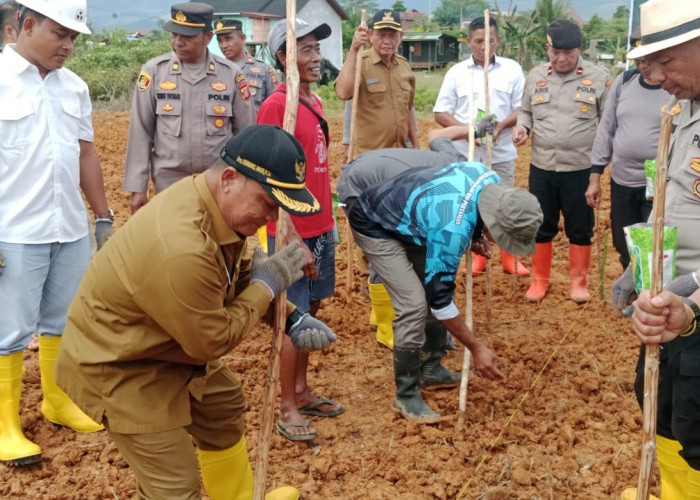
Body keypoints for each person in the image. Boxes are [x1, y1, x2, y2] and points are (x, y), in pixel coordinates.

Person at [55, 125, 337, 499]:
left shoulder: (215, 205)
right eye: (267, 203)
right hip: (120, 363)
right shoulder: (182, 246)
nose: (270, 218)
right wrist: (268, 284)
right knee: (174, 487)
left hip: (166, 340)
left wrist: (290, 316)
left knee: (222, 406)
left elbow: (224, 280)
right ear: (229, 179)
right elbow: (211, 340)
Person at [0, 0, 113, 466]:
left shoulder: (75, 88)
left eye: (73, 37)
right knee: (8, 330)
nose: (68, 45)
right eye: (60, 34)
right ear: (27, 25)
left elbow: (86, 155)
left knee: (62, 320)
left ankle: (58, 400)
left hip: (68, 226)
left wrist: (102, 216)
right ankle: (5, 422)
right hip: (14, 230)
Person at [347, 160, 543, 421]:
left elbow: (469, 206)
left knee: (432, 289)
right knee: (414, 304)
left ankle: (431, 370)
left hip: (416, 221)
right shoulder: (451, 229)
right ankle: (405, 395)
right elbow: (440, 301)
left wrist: (475, 236)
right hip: (376, 224)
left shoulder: (490, 179)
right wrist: (475, 347)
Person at [610, 0, 700, 497]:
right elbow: (671, 202)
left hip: (691, 308)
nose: (657, 75)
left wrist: (690, 292)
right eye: (649, 63)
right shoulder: (684, 108)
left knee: (696, 433)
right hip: (667, 308)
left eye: (668, 61)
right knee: (661, 409)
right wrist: (640, 269)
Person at [256, 19, 344, 442]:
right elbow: (266, 177)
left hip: (322, 226)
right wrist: (288, 236)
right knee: (295, 319)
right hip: (292, 232)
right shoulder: (277, 106)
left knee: (314, 314)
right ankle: (286, 405)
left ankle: (303, 390)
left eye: (316, 50)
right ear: (283, 58)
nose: (315, 58)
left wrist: (326, 227)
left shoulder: (316, 101)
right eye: (305, 50)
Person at [338, 125, 484, 362]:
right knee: (387, 258)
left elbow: (438, 136)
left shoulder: (458, 170)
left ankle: (434, 334)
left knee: (422, 256)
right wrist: (473, 128)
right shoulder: (448, 200)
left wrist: (476, 236)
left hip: (400, 190)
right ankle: (388, 328)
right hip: (362, 184)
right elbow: (441, 273)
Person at [123, 2, 255, 215]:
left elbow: (246, 133)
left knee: (217, 244)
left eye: (187, 36)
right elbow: (141, 132)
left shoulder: (231, 75)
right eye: (174, 34)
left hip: (218, 181)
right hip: (169, 182)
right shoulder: (154, 72)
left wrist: (246, 182)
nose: (178, 42)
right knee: (173, 243)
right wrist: (137, 187)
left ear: (207, 37)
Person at [513, 19, 609, 303]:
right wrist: (522, 127)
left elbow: (607, 122)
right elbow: (525, 110)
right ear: (547, 49)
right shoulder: (536, 76)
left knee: (580, 225)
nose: (561, 58)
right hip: (542, 166)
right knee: (541, 223)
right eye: (555, 52)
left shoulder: (598, 77)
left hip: (579, 169)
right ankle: (539, 280)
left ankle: (578, 282)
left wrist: (600, 168)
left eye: (568, 52)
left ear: (579, 49)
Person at [434, 16, 529, 277]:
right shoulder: (457, 72)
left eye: (489, 41)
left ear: (497, 40)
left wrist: (500, 127)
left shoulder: (512, 70)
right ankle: (478, 256)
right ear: (468, 42)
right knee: (470, 206)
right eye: (478, 41)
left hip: (501, 153)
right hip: (467, 155)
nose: (484, 47)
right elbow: (440, 112)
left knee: (505, 205)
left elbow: (522, 108)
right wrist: (469, 132)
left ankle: (510, 258)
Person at [585, 47, 670, 270]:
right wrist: (595, 176)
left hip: (659, 183)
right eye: (638, 61)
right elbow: (606, 128)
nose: (642, 66)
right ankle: (631, 295)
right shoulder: (625, 81)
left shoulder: (673, 86)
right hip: (623, 181)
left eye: (648, 60)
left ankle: (651, 298)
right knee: (625, 244)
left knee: (653, 245)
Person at [335, 9, 418, 154]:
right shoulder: (360, 62)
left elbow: (409, 109)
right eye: (381, 35)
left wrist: (416, 146)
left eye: (393, 36)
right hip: (369, 155)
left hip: (401, 154)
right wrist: (353, 50)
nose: (387, 41)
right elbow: (343, 92)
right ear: (370, 35)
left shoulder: (405, 66)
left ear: (401, 36)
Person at [214, 18, 278, 114]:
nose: (224, 45)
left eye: (228, 39)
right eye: (220, 41)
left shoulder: (264, 70)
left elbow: (275, 106)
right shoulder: (215, 71)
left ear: (242, 38)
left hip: (255, 127)